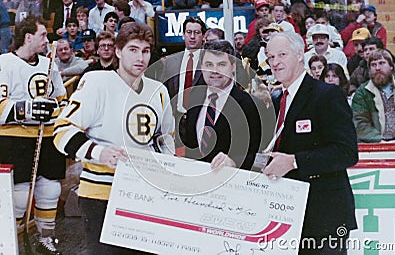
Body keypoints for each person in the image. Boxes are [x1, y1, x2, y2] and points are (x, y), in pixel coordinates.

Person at [53, 21, 174, 254]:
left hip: (145, 194)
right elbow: (62, 131)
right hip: (101, 195)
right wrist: (99, 152)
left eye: (145, 51)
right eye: (133, 50)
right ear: (118, 51)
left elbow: (165, 138)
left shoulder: (158, 90)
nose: (140, 57)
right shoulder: (97, 83)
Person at [264, 31, 358, 254]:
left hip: (324, 217)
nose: (275, 62)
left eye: (281, 54)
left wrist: (295, 162)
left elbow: (346, 152)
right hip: (286, 216)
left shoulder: (327, 95)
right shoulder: (276, 101)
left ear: (299, 55)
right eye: (270, 57)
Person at [0, 15, 67, 255]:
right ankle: (9, 242)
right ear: (27, 37)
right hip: (14, 139)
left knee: (50, 190)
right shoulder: (4, 63)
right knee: (18, 197)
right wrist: (26, 109)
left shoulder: (50, 64)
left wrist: (55, 110)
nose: (47, 40)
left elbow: (61, 99)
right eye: (42, 35)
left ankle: (45, 239)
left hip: (47, 136)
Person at [184, 39, 270, 170]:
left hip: (233, 185)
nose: (214, 71)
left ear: (233, 66)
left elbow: (261, 158)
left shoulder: (252, 106)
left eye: (221, 64)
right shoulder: (194, 99)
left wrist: (235, 162)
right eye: (209, 64)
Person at [161, 16, 207, 148]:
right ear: (183, 35)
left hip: (201, 121)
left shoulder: (209, 61)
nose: (192, 36)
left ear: (203, 36)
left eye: (197, 33)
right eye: (189, 32)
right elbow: (164, 91)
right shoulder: (171, 61)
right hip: (176, 120)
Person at [352, 49, 395, 143]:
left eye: (381, 63)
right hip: (376, 144)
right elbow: (360, 124)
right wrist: (381, 141)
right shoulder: (362, 93)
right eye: (373, 65)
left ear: (391, 66)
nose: (377, 68)